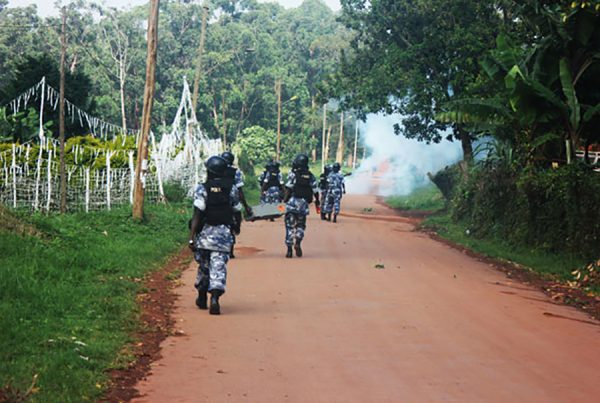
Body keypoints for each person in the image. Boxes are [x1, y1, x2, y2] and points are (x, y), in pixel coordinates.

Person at [189, 155, 241, 315]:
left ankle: (202, 295)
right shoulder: (231, 188)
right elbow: (237, 210)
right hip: (223, 236)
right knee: (218, 267)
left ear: (209, 171)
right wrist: (237, 227)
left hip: (205, 236)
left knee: (204, 267)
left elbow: (197, 214)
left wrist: (191, 237)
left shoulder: (202, 188)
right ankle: (215, 298)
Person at [283, 153, 320, 258]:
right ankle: (298, 242)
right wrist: (317, 201)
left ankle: (289, 249)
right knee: (300, 225)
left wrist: (284, 201)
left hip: (292, 204)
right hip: (303, 205)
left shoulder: (293, 174)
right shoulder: (310, 176)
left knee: (289, 226)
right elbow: (315, 190)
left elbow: (288, 189)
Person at [221, 151, 252, 258]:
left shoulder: (216, 168)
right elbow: (239, 189)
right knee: (237, 210)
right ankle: (237, 226)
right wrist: (246, 206)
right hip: (232, 197)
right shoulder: (235, 171)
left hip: (218, 197)